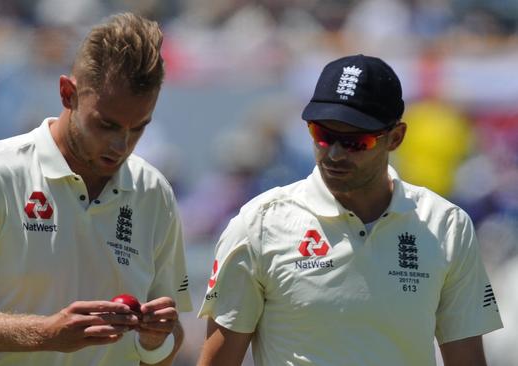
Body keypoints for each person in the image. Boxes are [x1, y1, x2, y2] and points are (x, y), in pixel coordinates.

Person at [0, 12, 192, 366]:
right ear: (68, 94)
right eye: (106, 124)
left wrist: (157, 338)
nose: (120, 145)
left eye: (138, 127)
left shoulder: (154, 193)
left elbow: (167, 345)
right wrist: (43, 334)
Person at [197, 54, 503, 366]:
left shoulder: (446, 225)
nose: (334, 153)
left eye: (355, 142)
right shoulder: (259, 223)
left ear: (395, 138)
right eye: (323, 135)